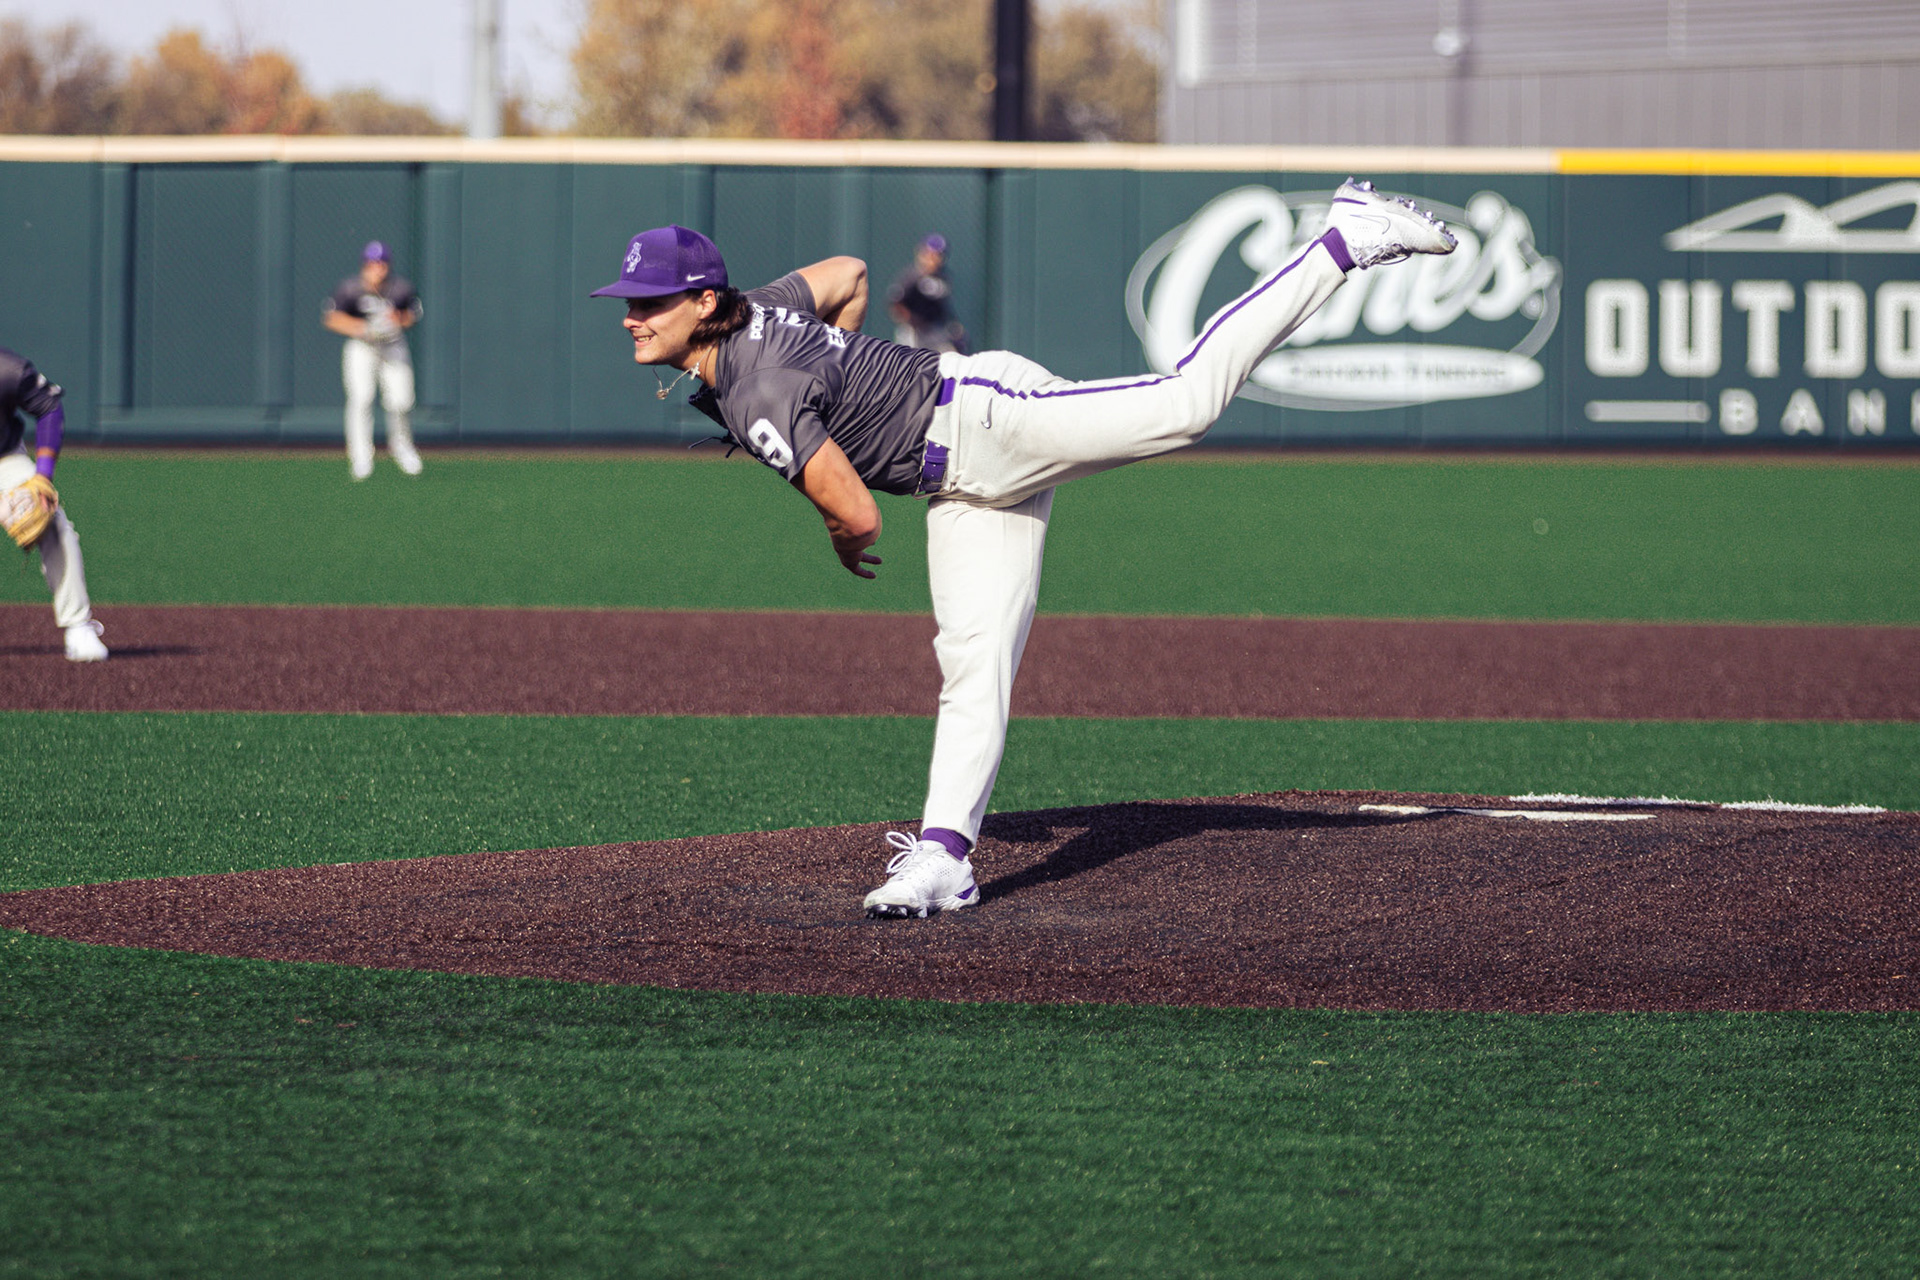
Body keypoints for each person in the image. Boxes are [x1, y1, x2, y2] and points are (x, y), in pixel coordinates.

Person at [589, 181, 1455, 919]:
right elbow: (847, 274)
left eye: (650, 303)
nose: (632, 318)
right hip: (960, 481)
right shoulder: (761, 310)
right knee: (973, 660)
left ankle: (1342, 241)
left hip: (988, 418)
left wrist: (835, 516)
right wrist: (845, 375)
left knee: (1186, 402)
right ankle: (943, 858)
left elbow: (859, 514)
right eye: (630, 302)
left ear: (706, 303)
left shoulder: (758, 390)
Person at [0, 346, 107, 661]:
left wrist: (43, 477)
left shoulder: (7, 370)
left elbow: (48, 407)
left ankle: (78, 626)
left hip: (3, 458)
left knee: (51, 518)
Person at [323, 240, 424, 481]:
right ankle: (361, 457)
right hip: (362, 346)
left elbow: (412, 315)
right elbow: (331, 318)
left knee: (401, 400)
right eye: (373, 263)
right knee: (361, 399)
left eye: (382, 263)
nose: (378, 268)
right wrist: (362, 328)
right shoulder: (350, 289)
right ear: (365, 265)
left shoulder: (400, 288)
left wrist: (398, 319)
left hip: (392, 345)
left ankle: (402, 447)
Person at [887, 233, 967, 353]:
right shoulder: (911, 277)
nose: (934, 259)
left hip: (937, 329)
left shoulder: (943, 276)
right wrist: (910, 320)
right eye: (930, 254)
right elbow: (896, 303)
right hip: (916, 331)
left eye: (938, 255)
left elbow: (942, 306)